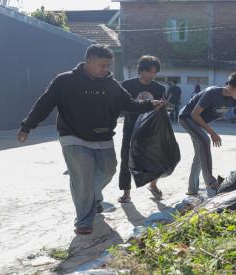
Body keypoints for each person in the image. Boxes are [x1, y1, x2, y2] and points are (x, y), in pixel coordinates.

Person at [17, 44, 164, 235]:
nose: (107, 70)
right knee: (83, 177)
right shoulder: (65, 81)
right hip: (73, 136)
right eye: (102, 65)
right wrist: (27, 126)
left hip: (103, 137)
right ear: (89, 61)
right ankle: (84, 220)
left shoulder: (111, 84)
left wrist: (149, 105)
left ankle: (93, 196)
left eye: (109, 66)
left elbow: (129, 103)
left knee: (108, 170)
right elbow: (44, 103)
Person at [118, 56, 166, 203]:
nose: (152, 75)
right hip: (130, 127)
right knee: (126, 159)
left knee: (154, 158)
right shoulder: (127, 85)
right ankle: (126, 192)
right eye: (149, 72)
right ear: (141, 70)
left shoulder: (159, 88)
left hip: (150, 129)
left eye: (155, 72)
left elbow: (160, 110)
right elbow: (120, 105)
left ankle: (153, 185)